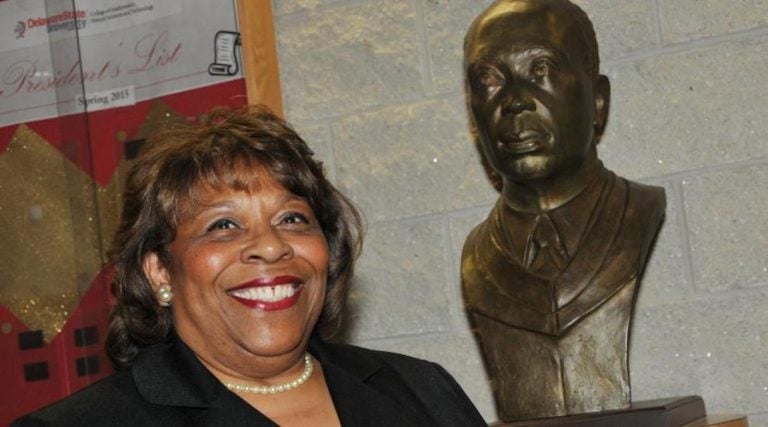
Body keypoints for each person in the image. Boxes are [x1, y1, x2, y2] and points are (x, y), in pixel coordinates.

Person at [15, 106, 485, 426]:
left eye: (293, 218)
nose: (271, 246)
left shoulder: (423, 390)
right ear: (159, 271)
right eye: (223, 225)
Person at [460, 0, 666, 421]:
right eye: (490, 79)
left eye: (542, 70)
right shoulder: (477, 260)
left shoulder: (638, 214)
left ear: (599, 101)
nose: (515, 102)